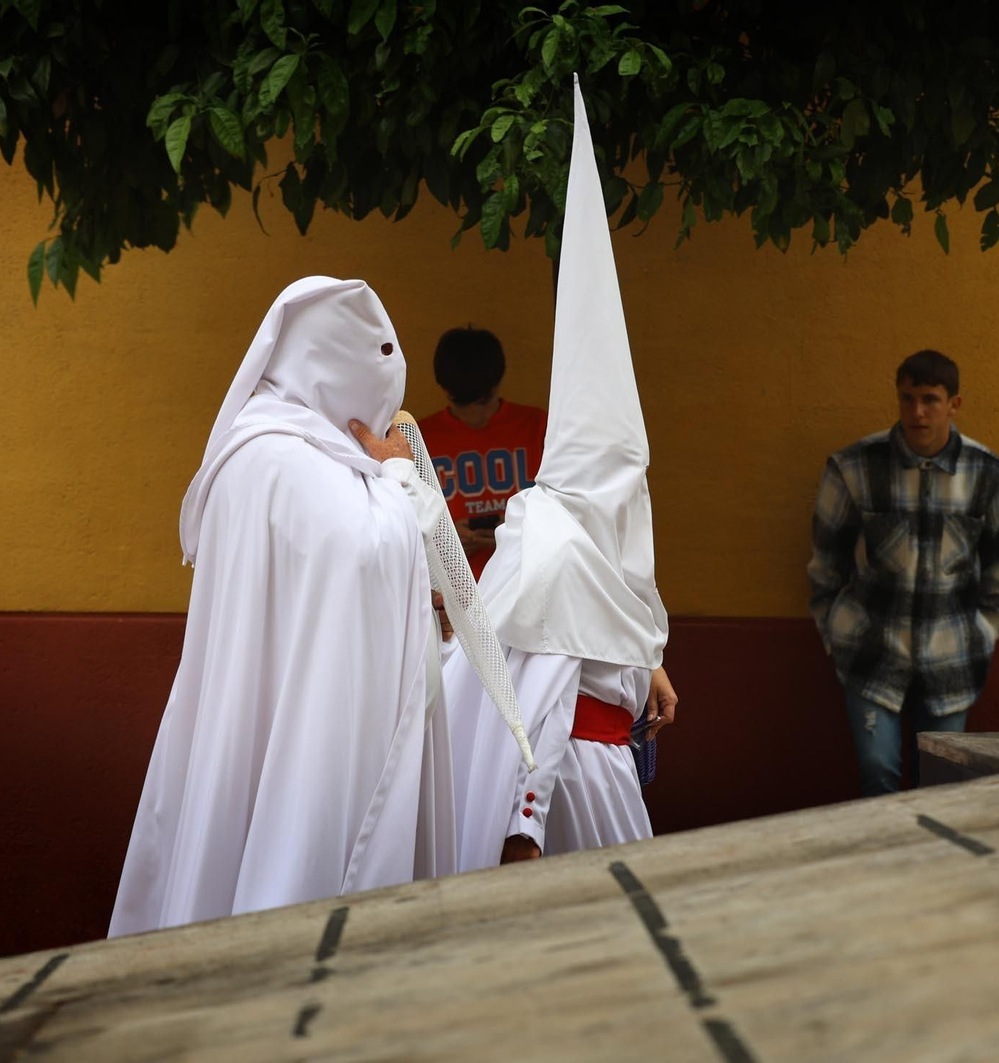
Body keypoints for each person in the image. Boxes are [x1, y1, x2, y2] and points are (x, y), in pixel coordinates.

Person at [108, 277, 456, 936]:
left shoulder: (282, 449)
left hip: (290, 701)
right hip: (313, 717)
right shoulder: (278, 456)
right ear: (329, 364)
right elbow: (365, 553)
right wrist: (397, 475)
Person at [442, 76, 678, 871]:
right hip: (575, 776)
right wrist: (527, 820)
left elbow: (605, 616)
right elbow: (538, 698)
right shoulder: (553, 537)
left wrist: (646, 662)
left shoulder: (586, 529)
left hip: (605, 759)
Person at [807, 350, 999, 797]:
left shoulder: (990, 475)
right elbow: (826, 563)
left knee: (940, 784)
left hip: (951, 656)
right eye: (907, 398)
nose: (917, 412)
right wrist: (834, 631)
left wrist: (984, 631)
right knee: (878, 775)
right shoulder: (854, 467)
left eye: (929, 399)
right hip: (871, 652)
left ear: (954, 404)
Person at [417, 327, 548, 577]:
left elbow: (568, 506)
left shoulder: (540, 426)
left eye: (482, 402)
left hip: (531, 577)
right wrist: (445, 539)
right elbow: (406, 520)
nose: (476, 417)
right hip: (457, 585)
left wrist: (519, 527)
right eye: (464, 404)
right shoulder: (418, 438)